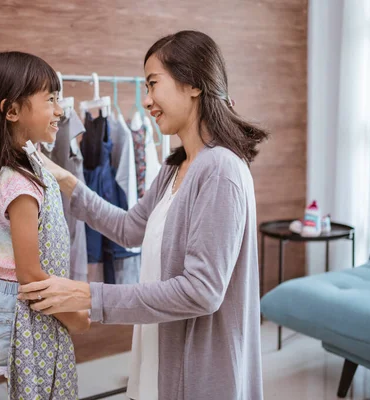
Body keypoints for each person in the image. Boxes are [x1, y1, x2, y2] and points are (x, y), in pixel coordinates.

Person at [19, 31, 269, 400]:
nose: (147, 100)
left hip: (198, 372)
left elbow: (202, 292)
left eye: (153, 84)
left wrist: (89, 296)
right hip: (159, 356)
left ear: (193, 84)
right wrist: (67, 181)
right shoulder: (177, 166)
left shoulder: (220, 170)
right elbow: (130, 228)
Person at [0, 51, 90, 399]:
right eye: (50, 99)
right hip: (27, 306)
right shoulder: (18, 185)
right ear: (12, 111)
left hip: (23, 303)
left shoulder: (26, 161)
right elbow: (31, 276)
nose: (60, 110)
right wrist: (75, 315)